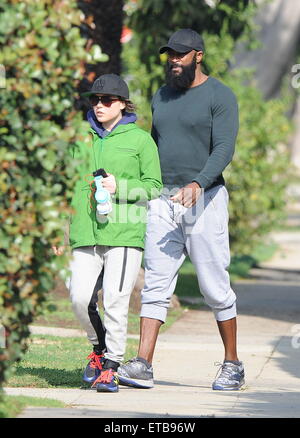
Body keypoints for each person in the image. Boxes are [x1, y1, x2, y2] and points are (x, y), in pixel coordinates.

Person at [118, 29, 245, 391]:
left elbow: (224, 148)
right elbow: (155, 144)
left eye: (180, 55)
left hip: (205, 198)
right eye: (170, 55)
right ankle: (143, 364)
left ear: (198, 56)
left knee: (213, 286)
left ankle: (233, 364)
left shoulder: (220, 96)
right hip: (163, 200)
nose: (174, 60)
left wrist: (198, 183)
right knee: (156, 284)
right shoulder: (161, 96)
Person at [53, 73, 162, 393]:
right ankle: (98, 349)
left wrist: (121, 187)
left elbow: (154, 187)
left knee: (115, 299)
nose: (99, 105)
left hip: (124, 233)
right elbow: (64, 186)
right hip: (85, 232)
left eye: (107, 101)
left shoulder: (141, 140)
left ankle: (111, 365)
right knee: (78, 298)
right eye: (95, 100)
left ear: (123, 105)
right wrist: (59, 231)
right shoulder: (79, 138)